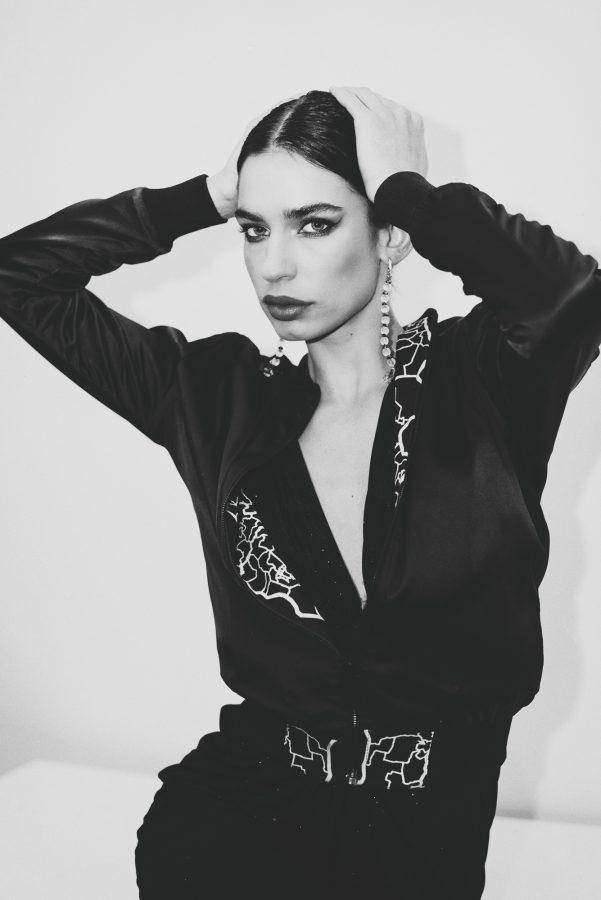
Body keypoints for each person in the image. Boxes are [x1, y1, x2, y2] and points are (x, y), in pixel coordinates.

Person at [1, 86, 599, 899]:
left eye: (313, 224)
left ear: (389, 235)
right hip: (233, 827)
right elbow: (18, 277)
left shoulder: (486, 382)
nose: (272, 265)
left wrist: (411, 194)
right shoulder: (212, 397)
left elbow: (572, 297)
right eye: (254, 229)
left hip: (425, 839)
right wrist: (203, 197)